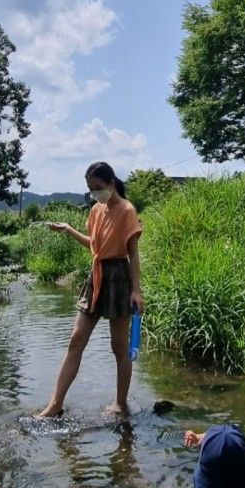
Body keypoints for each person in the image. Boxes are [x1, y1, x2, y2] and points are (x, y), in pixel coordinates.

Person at [37, 161, 144, 418]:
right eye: (89, 188)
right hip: (96, 276)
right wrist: (69, 230)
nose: (94, 193)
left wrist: (136, 291)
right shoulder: (96, 210)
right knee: (76, 341)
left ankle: (120, 404)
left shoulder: (127, 210)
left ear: (110, 183)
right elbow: (96, 248)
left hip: (119, 278)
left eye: (97, 187)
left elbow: (133, 254)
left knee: (119, 348)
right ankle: (55, 404)